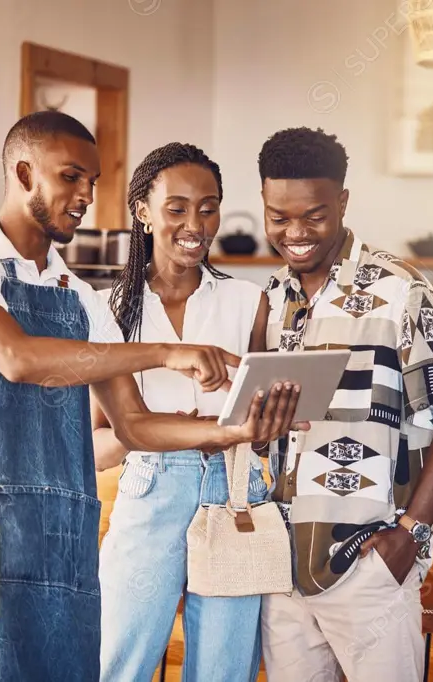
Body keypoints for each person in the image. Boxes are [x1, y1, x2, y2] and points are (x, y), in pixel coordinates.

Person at [0, 111, 301, 682]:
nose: (84, 197)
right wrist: (166, 353)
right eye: (71, 177)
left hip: (64, 526)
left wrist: (234, 432)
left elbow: (135, 427)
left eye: (92, 183)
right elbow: (18, 358)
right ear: (24, 173)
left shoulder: (84, 300)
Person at [252, 127, 433, 682]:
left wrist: (412, 533)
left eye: (313, 215)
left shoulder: (400, 290)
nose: (295, 233)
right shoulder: (271, 297)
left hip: (366, 558)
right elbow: (265, 434)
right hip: (282, 564)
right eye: (278, 217)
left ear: (343, 202)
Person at [93, 142, 291, 682]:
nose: (196, 223)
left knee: (223, 670)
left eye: (208, 207)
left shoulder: (250, 302)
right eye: (176, 207)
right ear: (142, 211)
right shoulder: (106, 313)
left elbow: (268, 429)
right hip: (151, 491)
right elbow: (93, 448)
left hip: (235, 491)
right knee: (119, 662)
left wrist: (269, 422)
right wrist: (181, 432)